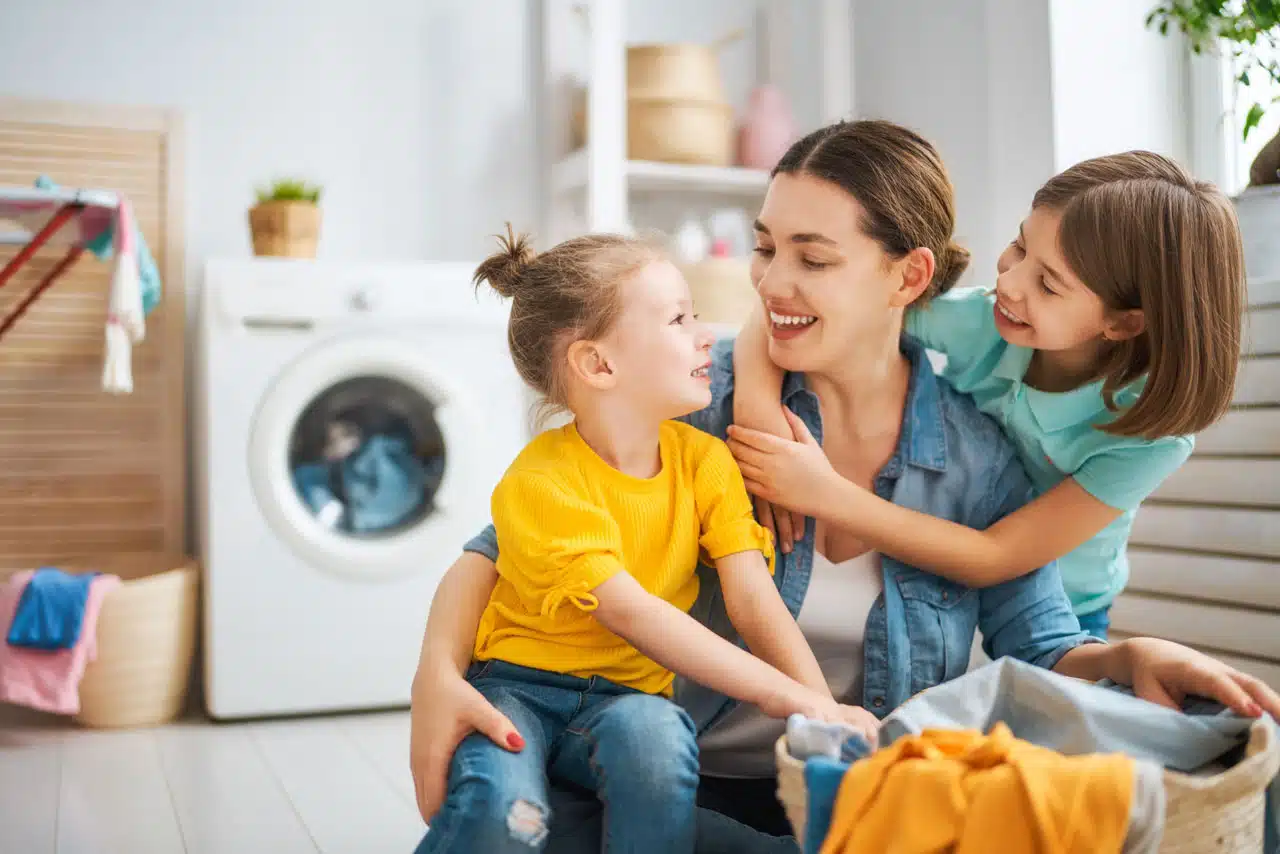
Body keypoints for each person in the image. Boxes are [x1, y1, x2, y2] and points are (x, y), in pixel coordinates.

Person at [409, 121, 1280, 852]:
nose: (770, 283)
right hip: (665, 786)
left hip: (840, 805)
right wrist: (437, 680)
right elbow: (503, 549)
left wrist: (1129, 655)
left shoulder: (979, 462)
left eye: (813, 259)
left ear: (909, 277)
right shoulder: (687, 402)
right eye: (764, 247)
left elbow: (1042, 647)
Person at [415, 226, 875, 854]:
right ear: (599, 363)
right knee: (506, 814)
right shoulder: (539, 482)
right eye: (678, 319)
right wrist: (783, 695)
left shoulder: (705, 462)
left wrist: (817, 710)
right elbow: (633, 612)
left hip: (630, 701)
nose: (704, 333)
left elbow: (752, 598)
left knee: (657, 749)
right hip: (517, 689)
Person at [729, 148, 1246, 640]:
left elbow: (994, 557)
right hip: (943, 583)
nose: (1010, 283)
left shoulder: (1152, 437)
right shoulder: (979, 320)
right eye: (1020, 246)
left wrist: (825, 493)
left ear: (1123, 321)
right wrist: (757, 409)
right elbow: (791, 306)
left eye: (1048, 284)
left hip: (1062, 604)